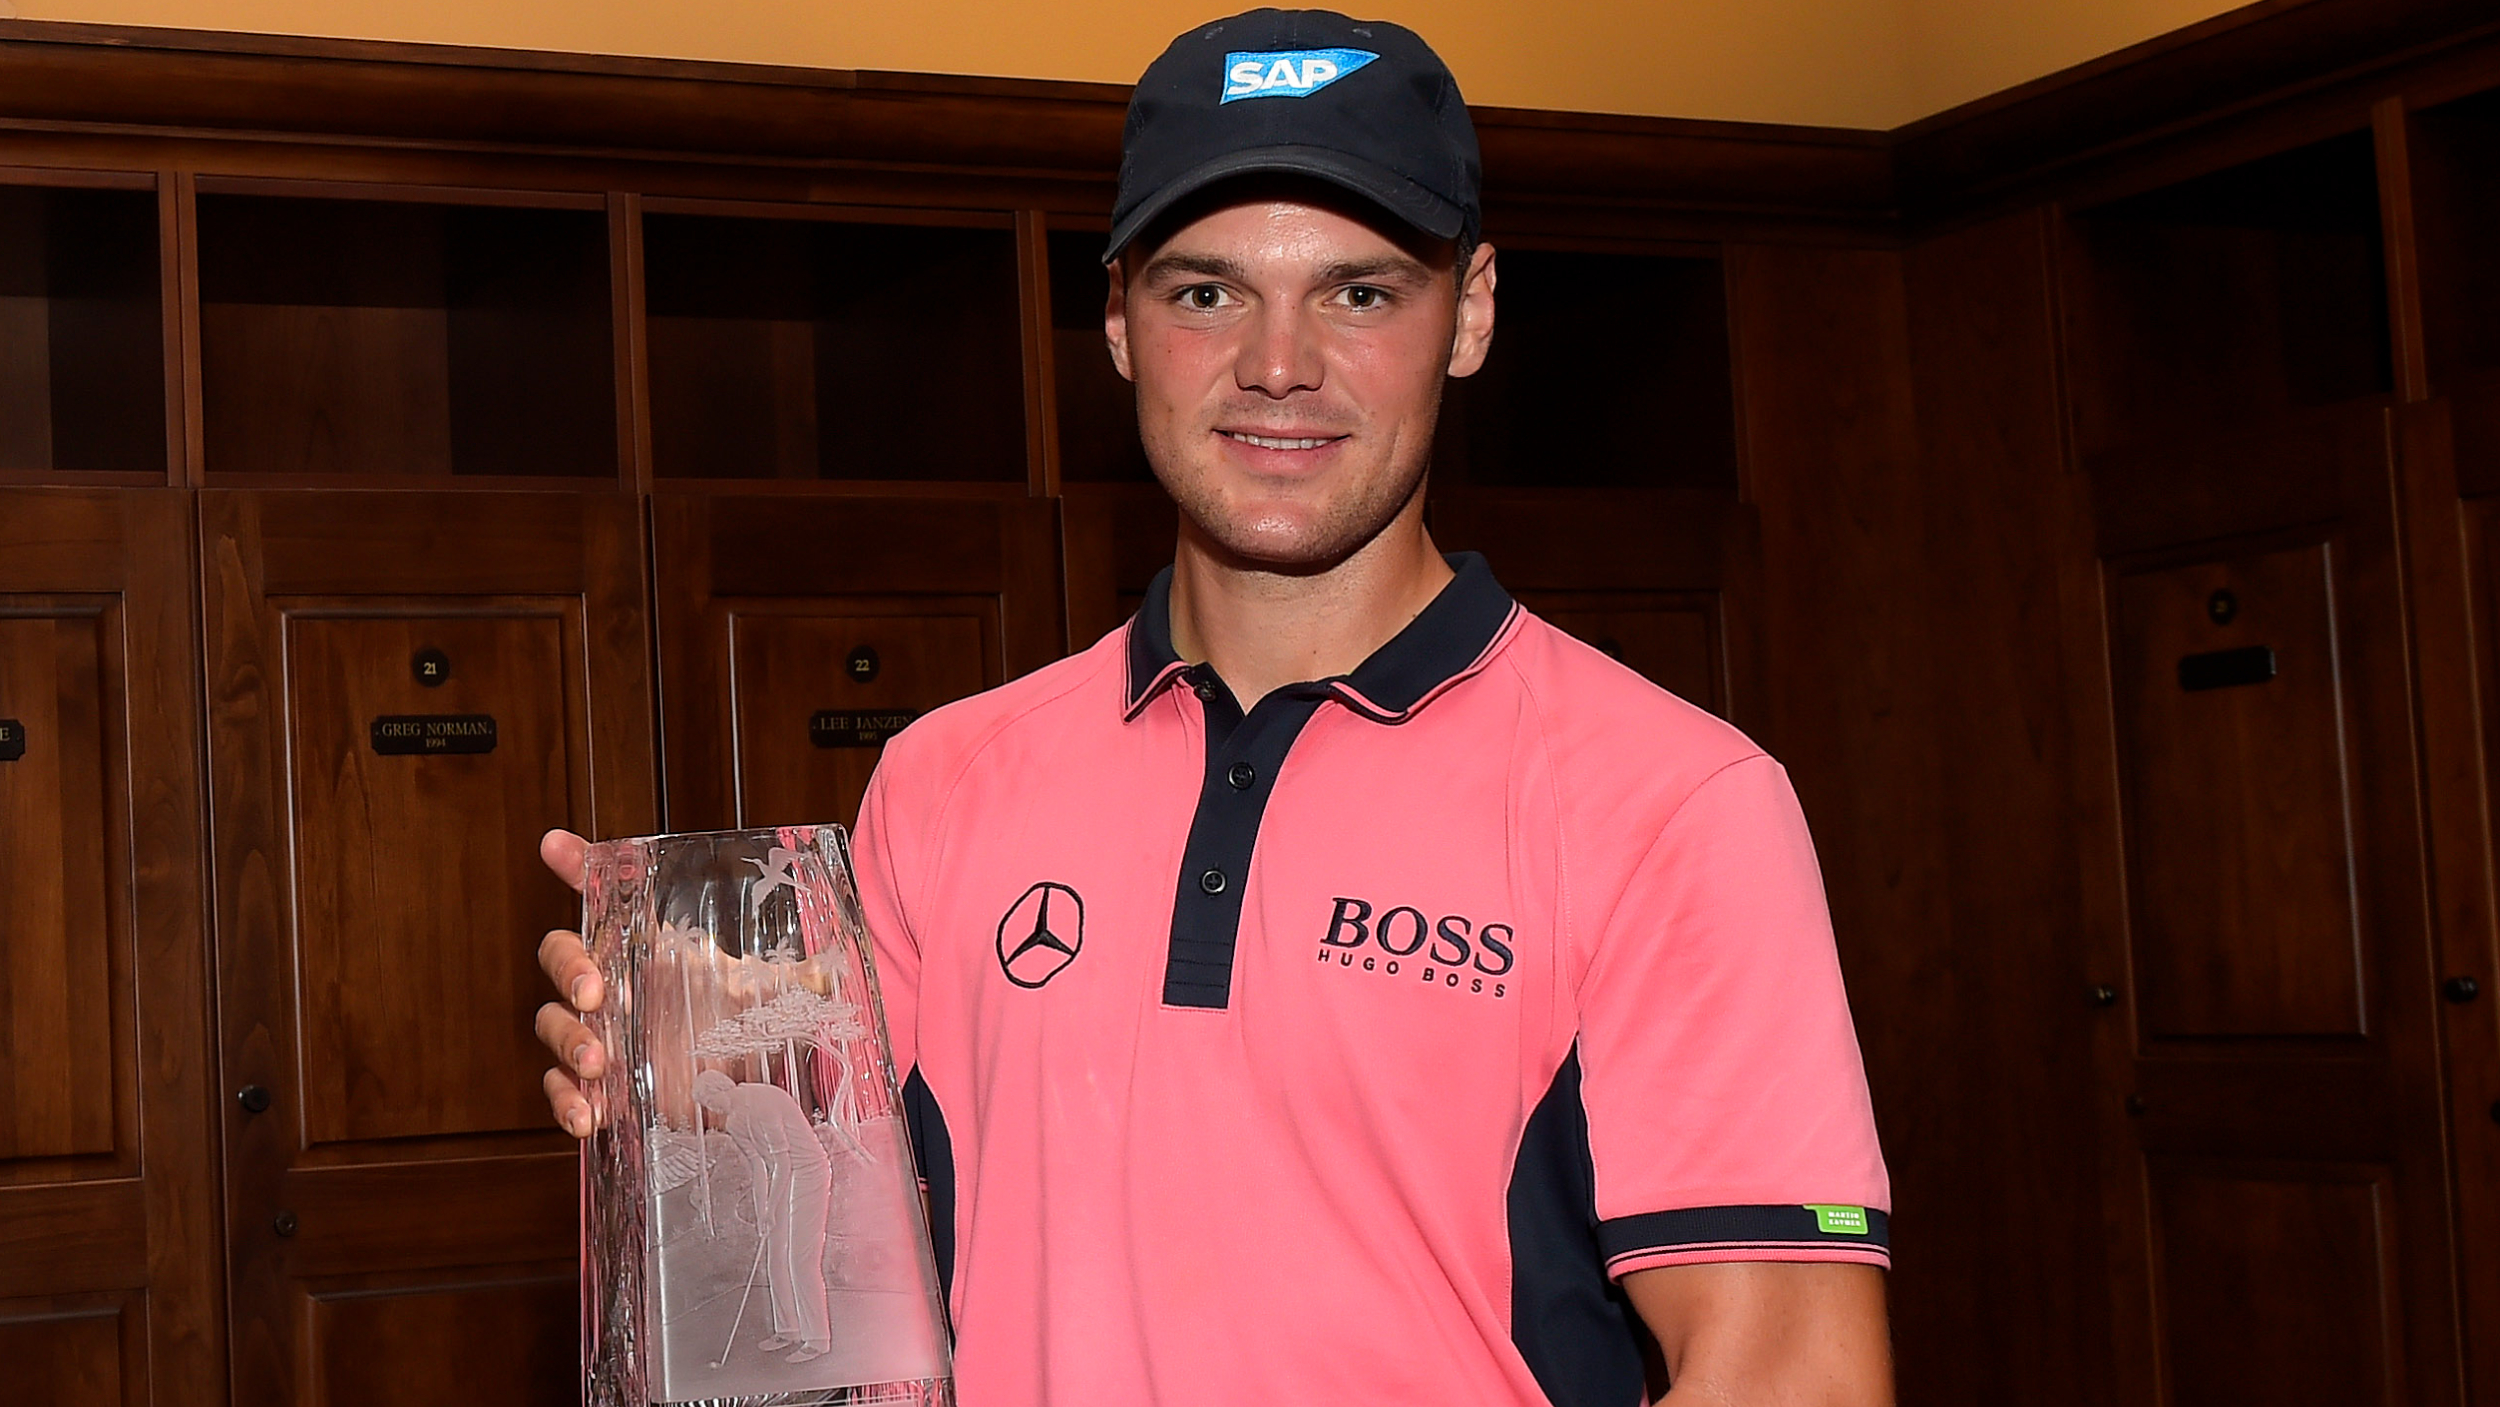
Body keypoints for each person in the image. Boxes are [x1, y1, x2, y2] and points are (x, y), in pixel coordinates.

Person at [538, 9, 1894, 1403]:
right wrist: (716, 1099)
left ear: (1472, 311)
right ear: (1119, 317)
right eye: (1207, 293)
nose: (1279, 364)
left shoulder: (1673, 802)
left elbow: (1788, 1367)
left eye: (1360, 293)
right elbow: (844, 1302)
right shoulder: (945, 779)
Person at [692, 1071, 835, 1365]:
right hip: (784, 1175)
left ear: (721, 1087)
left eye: (709, 1099)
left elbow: (782, 1161)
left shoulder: (763, 1100)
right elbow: (759, 1166)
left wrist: (772, 1207)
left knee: (800, 1259)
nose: (711, 1107)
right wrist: (762, 1214)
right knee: (775, 1256)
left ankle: (817, 1339)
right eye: (705, 1104)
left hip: (809, 1171)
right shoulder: (734, 1122)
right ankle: (788, 1330)